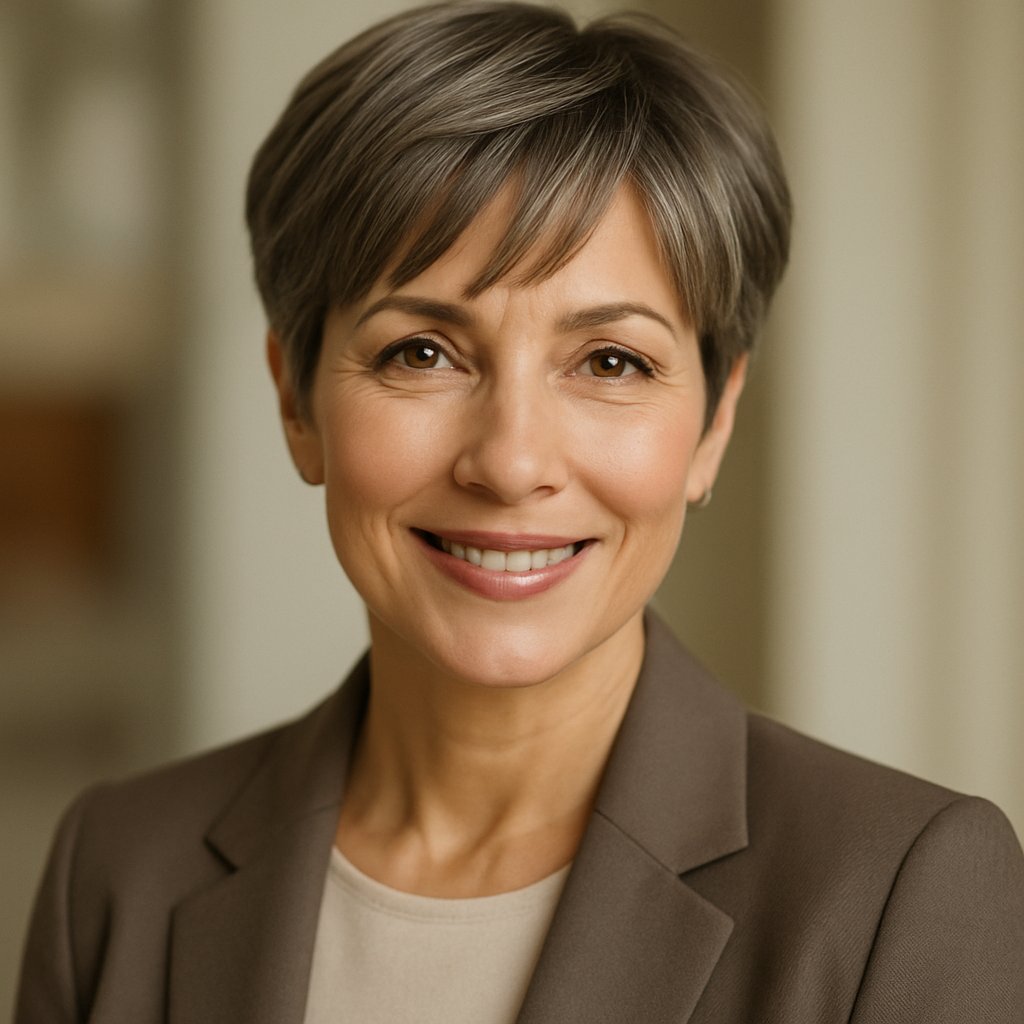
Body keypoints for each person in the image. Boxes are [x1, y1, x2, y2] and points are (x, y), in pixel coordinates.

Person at [15, 2, 1024, 1022]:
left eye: (610, 362)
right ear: (296, 398)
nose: (510, 460)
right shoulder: (115, 868)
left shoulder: (900, 890)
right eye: (423, 351)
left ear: (714, 421)